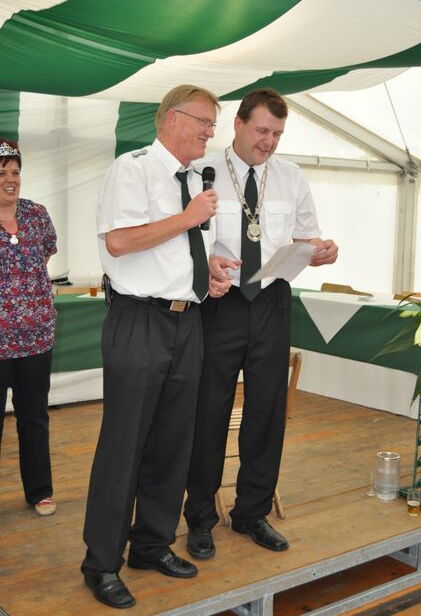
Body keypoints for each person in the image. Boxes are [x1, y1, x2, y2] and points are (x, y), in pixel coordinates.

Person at [81, 85, 220, 609]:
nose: (210, 132)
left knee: (172, 442)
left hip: (188, 320)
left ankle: (152, 543)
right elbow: (119, 241)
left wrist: (210, 270)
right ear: (171, 118)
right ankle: (101, 563)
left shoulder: (195, 181)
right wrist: (188, 218)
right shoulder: (132, 169)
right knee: (125, 445)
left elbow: (177, 251)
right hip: (139, 320)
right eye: (204, 121)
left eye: (213, 124)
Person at [184, 88, 338, 559]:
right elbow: (185, 239)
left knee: (267, 412)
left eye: (277, 134)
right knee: (208, 411)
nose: (268, 141)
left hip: (272, 299)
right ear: (238, 123)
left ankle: (251, 512)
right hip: (220, 302)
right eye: (262, 131)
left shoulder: (291, 176)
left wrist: (321, 251)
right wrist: (206, 267)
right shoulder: (202, 170)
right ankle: (200, 517)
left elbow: (306, 236)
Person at [0, 139, 58, 517]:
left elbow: (47, 252)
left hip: (36, 339)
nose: (11, 179)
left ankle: (40, 491)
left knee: (34, 417)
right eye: (2, 173)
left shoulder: (36, 214)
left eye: (16, 172)